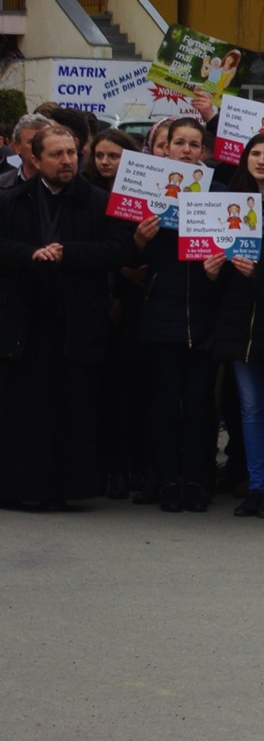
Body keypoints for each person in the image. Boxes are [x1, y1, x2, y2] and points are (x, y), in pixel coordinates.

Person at [0, 123, 134, 509]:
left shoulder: (99, 201)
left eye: (72, 153)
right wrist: (30, 254)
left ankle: (69, 489)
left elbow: (119, 248)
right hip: (28, 321)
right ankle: (23, 489)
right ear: (35, 158)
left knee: (74, 409)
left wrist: (68, 253)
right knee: (28, 410)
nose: (66, 161)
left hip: (78, 320)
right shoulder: (12, 200)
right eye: (56, 154)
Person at [130, 117, 221, 512]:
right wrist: (138, 240)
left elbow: (236, 248)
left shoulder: (218, 192)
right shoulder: (144, 190)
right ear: (164, 148)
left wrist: (219, 270)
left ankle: (198, 480)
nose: (186, 150)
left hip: (205, 314)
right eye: (179, 143)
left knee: (200, 402)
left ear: (203, 150)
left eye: (193, 144)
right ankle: (166, 479)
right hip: (161, 311)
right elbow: (122, 252)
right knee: (164, 401)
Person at [205, 133, 264, 519]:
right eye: (254, 154)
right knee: (249, 408)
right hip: (238, 319)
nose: (260, 160)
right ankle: (255, 486)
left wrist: (262, 275)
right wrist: (212, 273)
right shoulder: (229, 203)